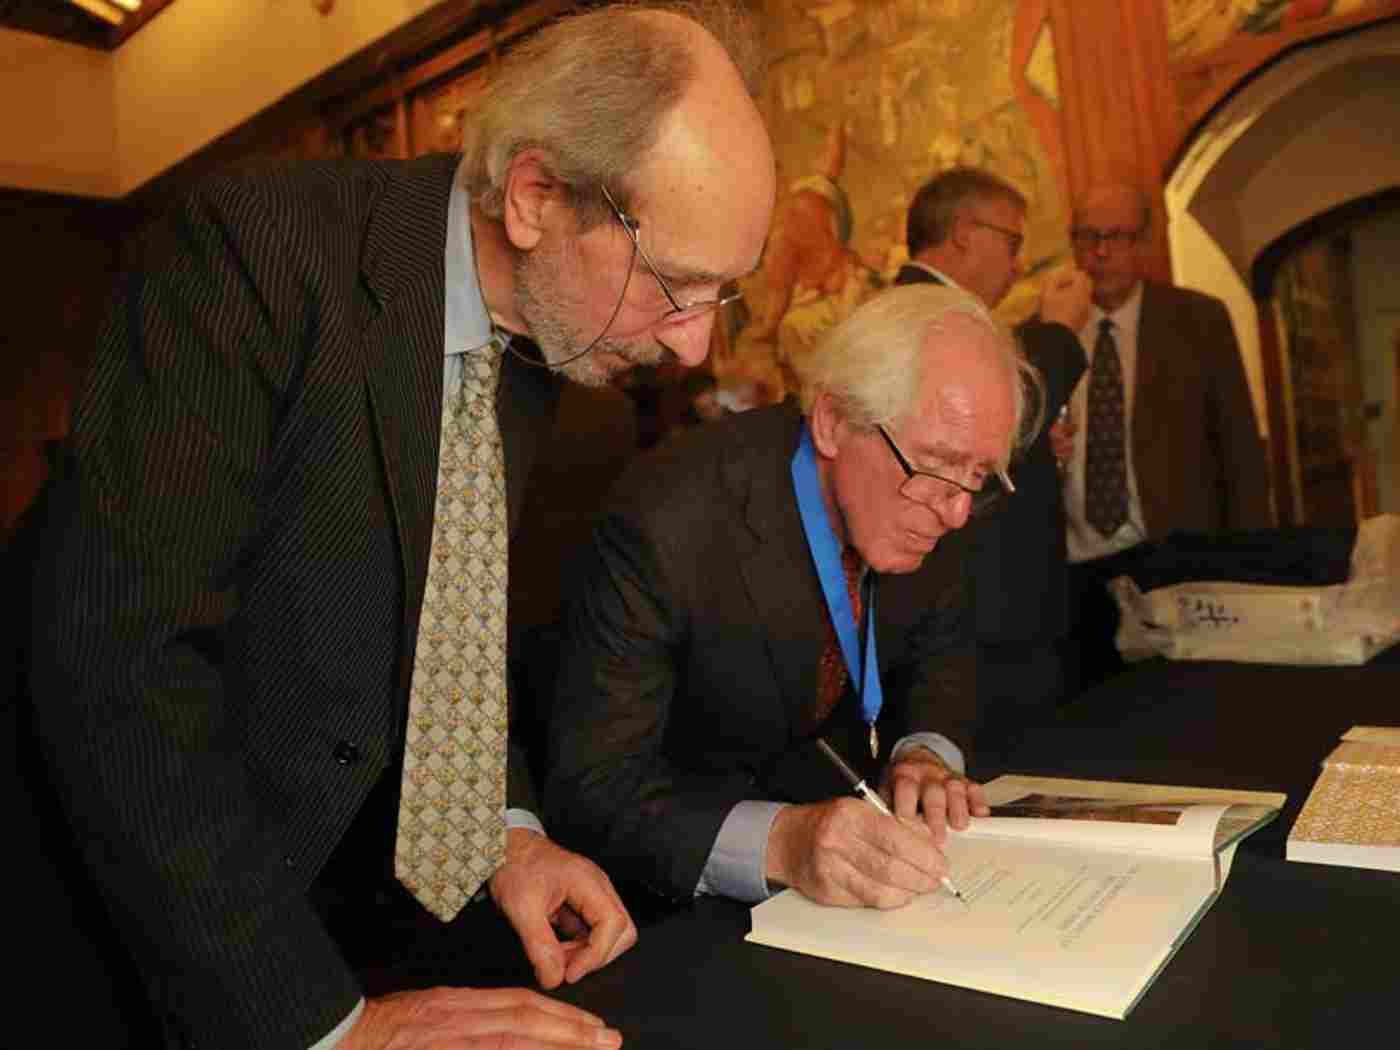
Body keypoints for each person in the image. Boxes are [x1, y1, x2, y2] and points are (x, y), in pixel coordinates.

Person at [26, 3, 776, 1049]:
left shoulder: (547, 343)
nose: (695, 349)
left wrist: (504, 834)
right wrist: (327, 1028)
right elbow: (117, 669)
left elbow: (446, 627)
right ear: (532, 196)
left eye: (722, 296)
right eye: (677, 288)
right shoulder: (257, 253)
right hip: (131, 937)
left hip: (324, 904)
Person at [545, 284, 1035, 910]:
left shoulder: (933, 489)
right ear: (832, 421)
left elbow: (943, 647)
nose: (959, 511)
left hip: (865, 864)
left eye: (979, 475)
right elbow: (595, 786)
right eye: (939, 467)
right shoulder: (667, 519)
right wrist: (782, 843)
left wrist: (926, 753)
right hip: (671, 902)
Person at [896, 167, 1090, 763]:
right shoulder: (922, 310)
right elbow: (1007, 414)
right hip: (981, 615)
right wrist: (1059, 334)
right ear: (961, 233)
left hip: (999, 612)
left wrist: (1031, 460)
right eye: (1011, 242)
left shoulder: (943, 313)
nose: (1017, 263)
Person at [1061, 183, 1271, 693]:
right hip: (1075, 568)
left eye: (1118, 236)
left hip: (1175, 556)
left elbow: (1239, 451)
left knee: (1188, 703)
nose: (1102, 252)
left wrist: (1247, 564)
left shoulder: (1198, 320)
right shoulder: (1047, 330)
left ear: (1147, 243)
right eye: (1088, 237)